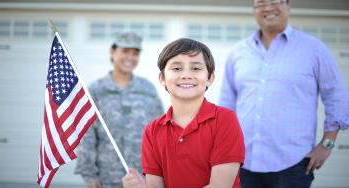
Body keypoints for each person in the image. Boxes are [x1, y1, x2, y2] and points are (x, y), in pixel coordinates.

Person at [218, 0, 349, 187]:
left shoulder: (314, 49)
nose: (268, 7)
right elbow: (226, 104)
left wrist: (327, 145)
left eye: (275, 1)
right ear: (254, 10)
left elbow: (336, 97)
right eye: (261, 2)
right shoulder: (238, 52)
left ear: (289, 6)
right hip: (242, 163)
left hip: (293, 165)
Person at [121, 38, 245, 188]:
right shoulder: (152, 131)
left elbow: (219, 186)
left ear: (210, 78)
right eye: (177, 68)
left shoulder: (225, 120)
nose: (186, 75)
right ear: (162, 78)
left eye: (196, 68)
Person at [75, 32, 164, 188]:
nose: (130, 57)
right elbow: (86, 134)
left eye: (135, 53)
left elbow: (161, 132)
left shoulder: (147, 89)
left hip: (142, 179)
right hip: (106, 179)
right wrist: (89, 174)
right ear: (112, 52)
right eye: (125, 51)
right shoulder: (96, 90)